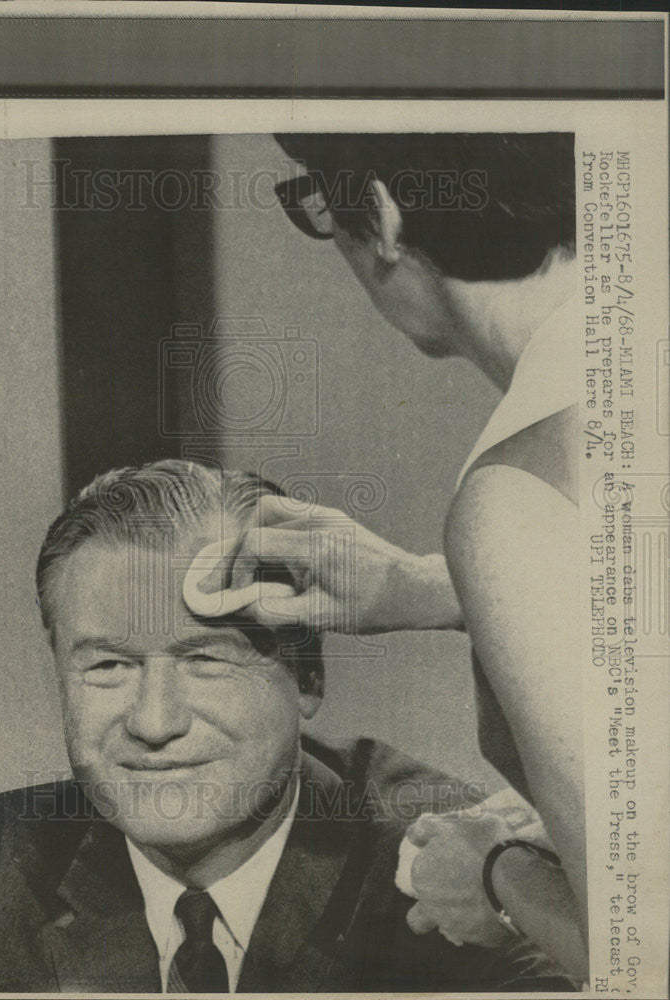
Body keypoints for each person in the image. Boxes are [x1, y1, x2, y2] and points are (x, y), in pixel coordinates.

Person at [0, 460, 573, 993]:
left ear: (306, 680)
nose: (155, 723)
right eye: (109, 668)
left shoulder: (451, 874)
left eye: (206, 661)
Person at [184, 133, 587, 978]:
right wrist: (429, 588)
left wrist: (489, 874)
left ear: (386, 214)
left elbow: (648, 945)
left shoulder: (512, 498)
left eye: (319, 206)